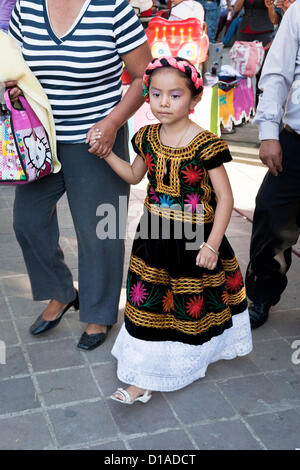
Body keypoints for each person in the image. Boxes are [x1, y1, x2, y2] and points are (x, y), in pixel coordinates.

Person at [90, 56, 252, 404]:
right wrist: (106, 154)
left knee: (186, 304)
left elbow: (225, 198)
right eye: (156, 94)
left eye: (175, 95)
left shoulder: (205, 144)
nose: (164, 102)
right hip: (153, 236)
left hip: (196, 241)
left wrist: (211, 245)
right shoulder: (146, 137)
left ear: (195, 99)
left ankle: (177, 365)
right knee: (150, 304)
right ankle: (146, 373)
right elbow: (135, 176)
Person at [6, 0, 152, 351]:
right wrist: (13, 88)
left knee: (101, 230)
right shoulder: (26, 8)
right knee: (27, 221)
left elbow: (145, 77)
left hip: (98, 139)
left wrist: (113, 122)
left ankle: (99, 312)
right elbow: (14, 66)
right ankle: (60, 291)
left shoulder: (113, 8)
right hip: (40, 140)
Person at [245, 1, 299, 328]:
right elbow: (277, 73)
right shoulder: (297, 12)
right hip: (295, 139)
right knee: (271, 214)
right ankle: (262, 293)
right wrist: (268, 132)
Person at [234, 0, 275, 105]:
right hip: (244, 32)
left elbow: (274, 16)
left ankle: (260, 107)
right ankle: (242, 107)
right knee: (240, 72)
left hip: (263, 32)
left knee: (262, 73)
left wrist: (270, 6)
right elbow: (237, 8)